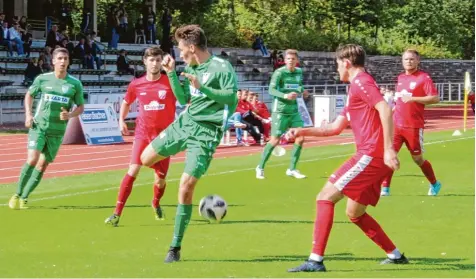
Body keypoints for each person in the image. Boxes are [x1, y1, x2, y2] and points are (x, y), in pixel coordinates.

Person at [286, 44, 408, 273]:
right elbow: (333, 128)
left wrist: (389, 148)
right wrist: (302, 131)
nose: (337, 69)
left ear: (346, 63)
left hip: (371, 154)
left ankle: (315, 260)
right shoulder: (354, 90)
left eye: (337, 64)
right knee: (355, 213)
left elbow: (385, 109)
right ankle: (395, 255)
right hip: (374, 157)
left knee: (324, 197)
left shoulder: (362, 82)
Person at [139, 24, 238, 263]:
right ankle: (161, 178)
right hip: (185, 124)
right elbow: (183, 98)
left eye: (182, 48)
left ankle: (174, 247)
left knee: (185, 186)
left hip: (206, 133)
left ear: (192, 47)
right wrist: (171, 73)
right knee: (145, 159)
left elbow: (231, 100)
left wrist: (202, 87)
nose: (179, 53)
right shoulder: (190, 66)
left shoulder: (221, 68)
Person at [105, 47, 177, 226]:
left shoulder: (170, 82)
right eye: (151, 60)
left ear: (162, 62)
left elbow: (185, 99)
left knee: (160, 180)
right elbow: (126, 102)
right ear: (145, 62)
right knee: (133, 170)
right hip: (142, 134)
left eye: (158, 60)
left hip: (164, 138)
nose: (155, 63)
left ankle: (155, 202)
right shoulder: (136, 84)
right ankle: (116, 214)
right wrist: (121, 119)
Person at [8, 48, 85, 209]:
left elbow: (80, 107)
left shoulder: (75, 84)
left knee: (43, 165)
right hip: (39, 126)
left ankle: (25, 197)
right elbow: (29, 95)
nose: (63, 61)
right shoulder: (42, 79)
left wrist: (70, 116)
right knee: (32, 159)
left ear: (69, 61)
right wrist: (28, 115)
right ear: (53, 61)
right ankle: (17, 193)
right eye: (60, 58)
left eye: (65, 58)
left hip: (57, 132)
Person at [380, 49, 441, 197]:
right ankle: (385, 189)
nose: (409, 62)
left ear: (418, 61)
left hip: (413, 126)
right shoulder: (400, 78)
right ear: (402, 61)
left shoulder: (423, 78)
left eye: (412, 59)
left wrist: (413, 98)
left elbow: (435, 98)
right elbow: (400, 100)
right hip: (396, 125)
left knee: (417, 159)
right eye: (406, 59)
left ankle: (434, 183)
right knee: (389, 155)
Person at [256, 49, 306, 180]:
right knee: (275, 140)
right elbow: (271, 90)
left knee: (300, 137)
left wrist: (301, 91)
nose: (291, 61)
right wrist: (285, 95)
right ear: (285, 60)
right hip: (280, 111)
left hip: (294, 110)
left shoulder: (299, 72)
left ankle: (292, 169)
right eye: (288, 59)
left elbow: (300, 86)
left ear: (297, 61)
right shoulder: (279, 73)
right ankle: (260, 167)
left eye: (293, 59)